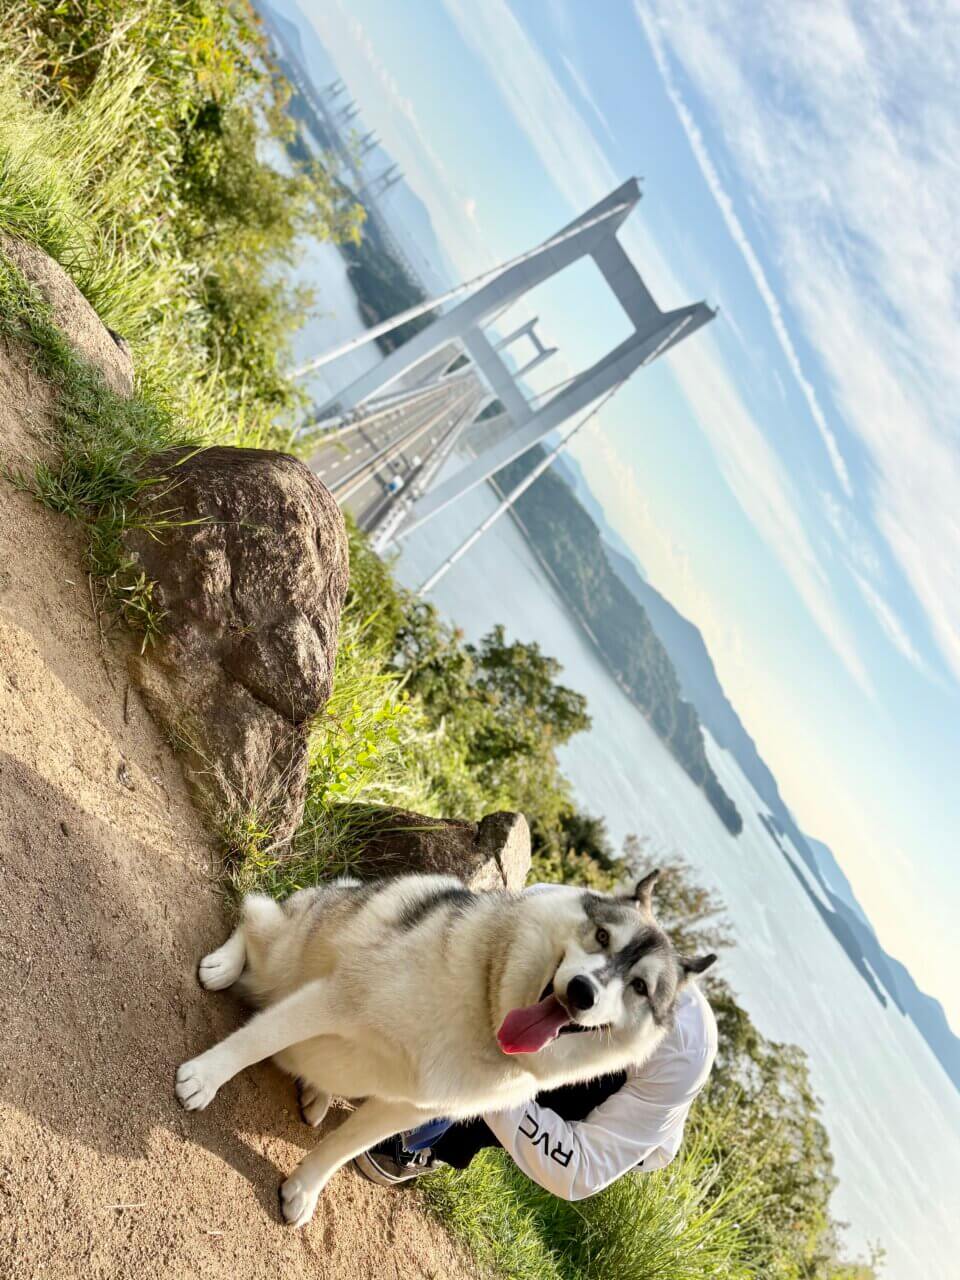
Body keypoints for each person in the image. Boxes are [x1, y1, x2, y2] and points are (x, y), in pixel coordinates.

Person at [353, 883, 717, 1201]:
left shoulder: (682, 1054)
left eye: (637, 985)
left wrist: (490, 1080)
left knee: (577, 1068)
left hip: (621, 1112)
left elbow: (579, 1170)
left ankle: (422, 1138)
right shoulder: (554, 906)